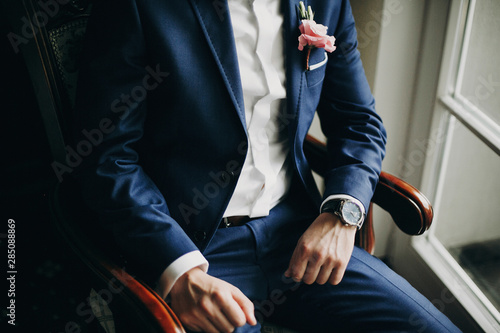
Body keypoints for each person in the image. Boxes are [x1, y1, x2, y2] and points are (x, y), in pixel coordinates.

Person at [73, 0, 460, 332]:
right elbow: (107, 158)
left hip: (299, 231)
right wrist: (180, 269)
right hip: (193, 242)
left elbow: (359, 121)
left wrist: (343, 211)